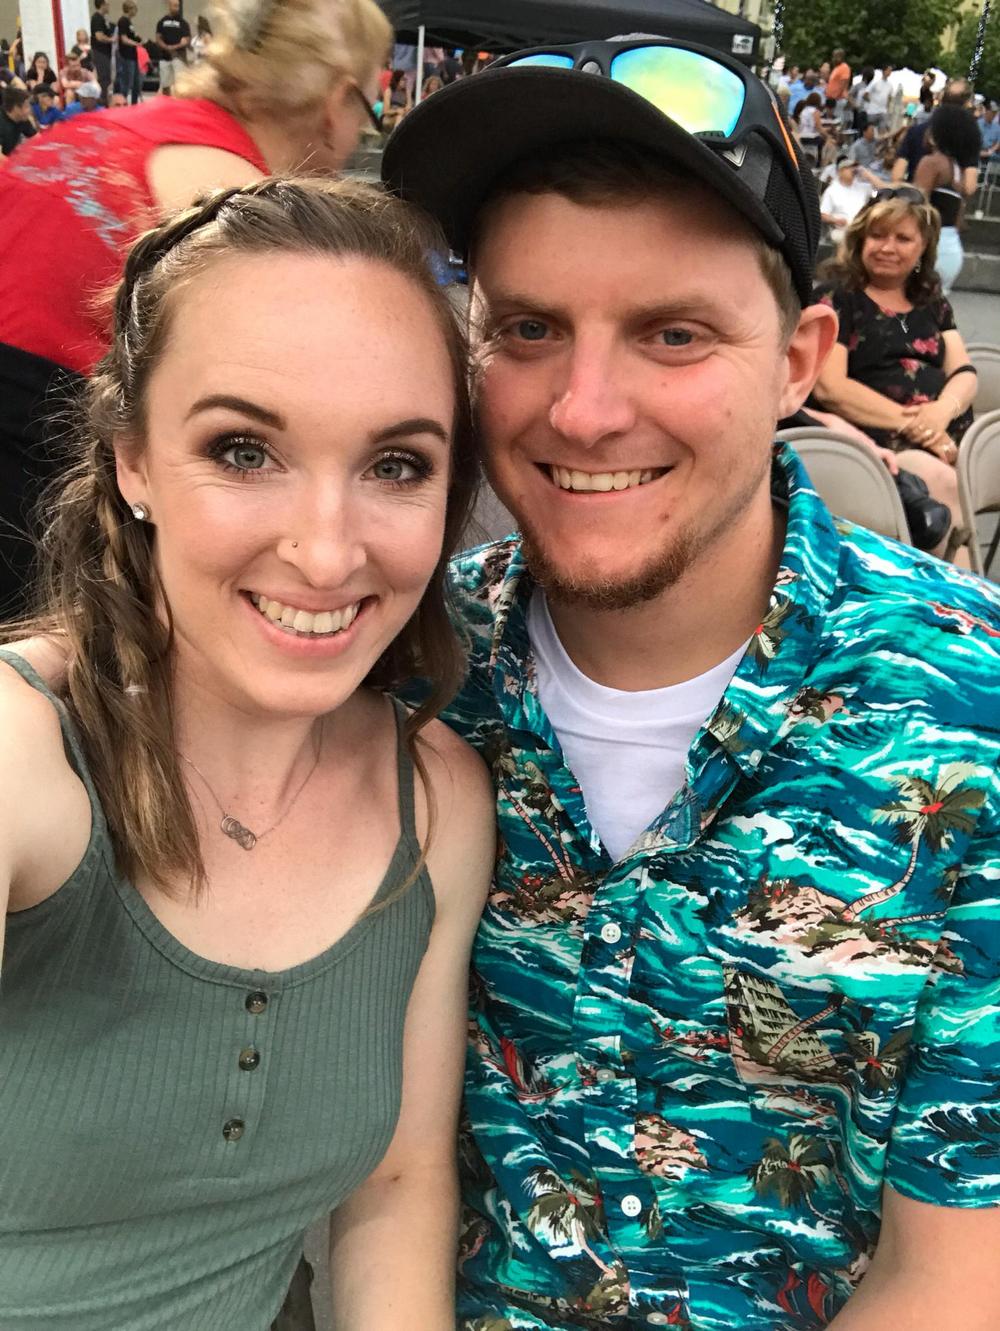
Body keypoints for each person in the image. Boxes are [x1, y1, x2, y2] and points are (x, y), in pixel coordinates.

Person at [384, 36, 1000, 1330]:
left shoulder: (970, 708)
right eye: (528, 329)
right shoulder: (397, 670)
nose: (584, 409)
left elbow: (954, 1274)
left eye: (673, 333)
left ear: (797, 360)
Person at [1, 173, 494, 1330]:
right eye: (243, 450)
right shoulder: (22, 755)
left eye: (395, 464)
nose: (326, 552)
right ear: (132, 459)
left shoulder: (436, 804)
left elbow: (395, 1186)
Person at [0, 0, 390, 620]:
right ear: (335, 102)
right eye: (364, 117)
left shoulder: (102, 129)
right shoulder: (235, 205)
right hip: (40, 481)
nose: (352, 144)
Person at [812, 188, 976, 561]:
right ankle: (965, 592)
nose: (887, 247)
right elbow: (831, 388)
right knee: (945, 485)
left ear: (923, 248)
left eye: (903, 238)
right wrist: (918, 426)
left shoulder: (931, 302)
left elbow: (964, 372)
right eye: (877, 235)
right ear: (860, 239)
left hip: (940, 433)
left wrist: (941, 412)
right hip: (874, 443)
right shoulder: (837, 298)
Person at [916, 108, 978, 292]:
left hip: (931, 247)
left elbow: (916, 207)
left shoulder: (931, 163)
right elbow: (959, 221)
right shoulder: (957, 169)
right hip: (951, 249)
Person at [820, 156, 873, 243]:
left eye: (854, 167)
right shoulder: (832, 190)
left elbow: (881, 188)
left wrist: (868, 175)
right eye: (849, 168)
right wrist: (836, 220)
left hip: (861, 228)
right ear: (840, 172)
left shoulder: (863, 187)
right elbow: (823, 214)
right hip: (842, 229)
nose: (853, 170)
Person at [155, 0, 191, 95]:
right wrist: (166, 47)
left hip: (178, 57)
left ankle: (178, 101)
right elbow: (158, 38)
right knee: (165, 84)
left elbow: (186, 40)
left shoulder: (183, 23)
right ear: (169, 6)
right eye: (174, 6)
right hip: (164, 57)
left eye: (178, 6)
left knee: (179, 84)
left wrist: (174, 47)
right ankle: (166, 101)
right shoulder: (162, 22)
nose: (177, 8)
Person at [115, 0, 144, 104]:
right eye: (135, 9)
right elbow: (124, 39)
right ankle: (122, 102)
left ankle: (134, 104)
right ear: (129, 9)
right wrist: (136, 44)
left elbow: (131, 36)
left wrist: (138, 38)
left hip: (133, 56)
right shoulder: (123, 21)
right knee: (127, 83)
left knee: (136, 83)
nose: (136, 11)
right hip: (126, 56)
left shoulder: (129, 22)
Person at [0, 85, 37, 155]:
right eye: (26, 106)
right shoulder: (2, 123)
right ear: (16, 108)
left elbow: (36, 138)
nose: (30, 110)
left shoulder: (22, 118)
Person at [90, 0, 114, 100]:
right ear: (102, 5)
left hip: (106, 53)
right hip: (100, 52)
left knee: (107, 79)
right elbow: (99, 36)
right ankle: (102, 102)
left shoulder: (104, 19)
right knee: (103, 78)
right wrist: (112, 39)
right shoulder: (97, 18)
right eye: (107, 4)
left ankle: (105, 100)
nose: (109, 6)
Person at [863, 63, 893, 130]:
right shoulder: (875, 82)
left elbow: (889, 97)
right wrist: (872, 102)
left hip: (883, 111)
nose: (889, 72)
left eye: (890, 71)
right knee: (871, 129)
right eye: (888, 70)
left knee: (882, 130)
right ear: (883, 71)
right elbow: (865, 94)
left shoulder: (890, 85)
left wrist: (887, 107)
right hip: (873, 111)